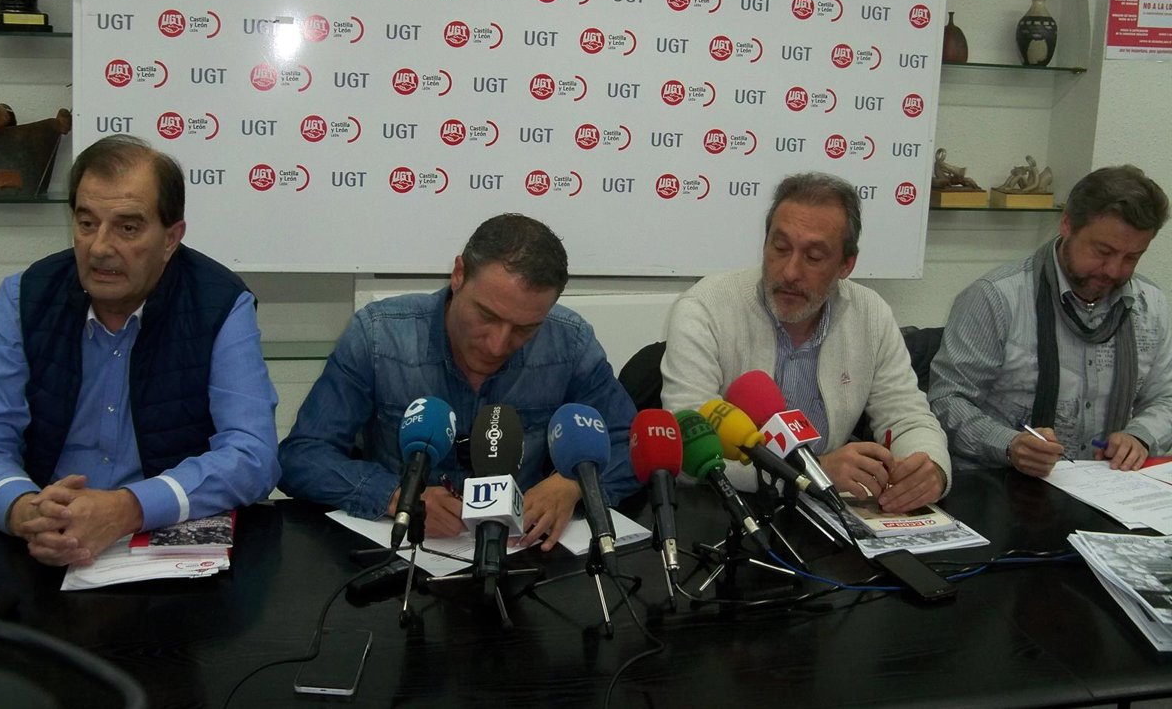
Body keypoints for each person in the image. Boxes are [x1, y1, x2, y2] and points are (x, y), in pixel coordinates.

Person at [0, 135, 279, 566]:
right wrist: (26, 511)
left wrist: (128, 508)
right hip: (42, 543)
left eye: (127, 228)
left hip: (161, 548)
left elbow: (252, 455)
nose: (100, 247)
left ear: (171, 238)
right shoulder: (23, 297)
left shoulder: (221, 304)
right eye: (86, 223)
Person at [277, 213, 639, 549]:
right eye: (487, 316)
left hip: (520, 555)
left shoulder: (569, 343)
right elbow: (302, 456)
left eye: (525, 329)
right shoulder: (379, 337)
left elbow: (632, 443)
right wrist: (396, 496)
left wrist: (574, 483)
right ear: (458, 275)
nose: (498, 344)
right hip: (402, 554)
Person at [661, 172, 951, 512]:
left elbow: (907, 418)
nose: (790, 272)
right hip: (728, 510)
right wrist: (811, 473)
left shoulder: (870, 314)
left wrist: (930, 469)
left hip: (827, 511)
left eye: (813, 257)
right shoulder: (704, 308)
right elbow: (689, 447)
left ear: (846, 265)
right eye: (780, 248)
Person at [931, 165, 1171, 477]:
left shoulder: (1150, 303)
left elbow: (1165, 398)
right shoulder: (995, 298)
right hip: (1004, 483)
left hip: (1107, 484)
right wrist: (1009, 444)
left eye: (1131, 257)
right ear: (1067, 224)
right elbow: (946, 401)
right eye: (1103, 251)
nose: (1114, 270)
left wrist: (1140, 436)